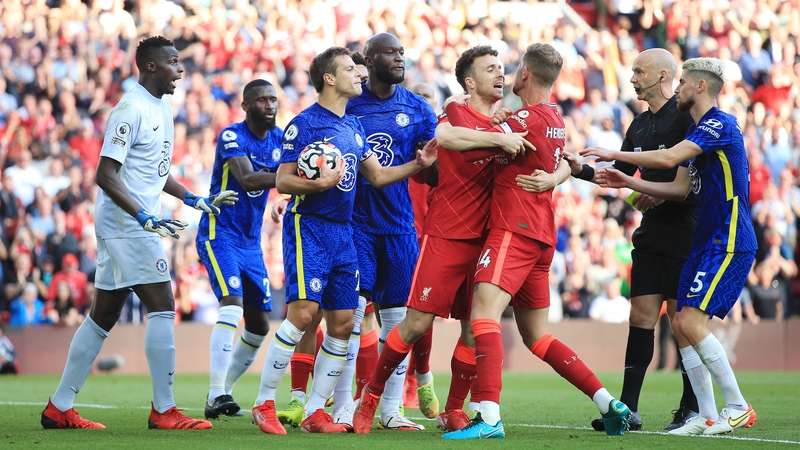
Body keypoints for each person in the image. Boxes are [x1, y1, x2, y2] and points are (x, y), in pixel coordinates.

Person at [41, 36, 237, 431]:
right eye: (173, 63)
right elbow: (104, 174)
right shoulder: (129, 109)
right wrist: (144, 217)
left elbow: (155, 172)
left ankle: (59, 407)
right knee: (163, 302)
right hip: (126, 223)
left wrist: (194, 198)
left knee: (103, 316)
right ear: (150, 66)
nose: (181, 70)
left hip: (132, 222)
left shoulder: (161, 106)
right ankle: (164, 410)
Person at [440, 43, 631, 439]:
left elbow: (463, 142)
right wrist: (557, 175)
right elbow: (568, 161)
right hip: (543, 236)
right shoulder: (556, 117)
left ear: (524, 74)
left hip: (515, 229)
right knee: (537, 335)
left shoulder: (524, 118)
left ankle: (488, 416)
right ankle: (608, 404)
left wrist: (451, 117)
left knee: (483, 316)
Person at [250, 46, 436, 435]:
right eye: (351, 69)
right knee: (302, 314)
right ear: (330, 78)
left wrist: (418, 164)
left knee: (342, 322)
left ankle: (317, 410)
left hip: (344, 233)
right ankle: (263, 402)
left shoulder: (353, 126)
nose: (360, 74)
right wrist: (316, 183)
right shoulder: (305, 124)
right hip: (310, 228)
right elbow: (283, 179)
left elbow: (379, 176)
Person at [351, 45, 536, 435]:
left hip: (488, 240)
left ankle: (454, 409)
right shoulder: (455, 111)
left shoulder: (506, 122)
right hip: (447, 234)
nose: (501, 75)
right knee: (416, 323)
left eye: (502, 68)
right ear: (470, 82)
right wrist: (500, 140)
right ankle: (371, 397)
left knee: (474, 327)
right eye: (491, 69)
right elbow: (446, 138)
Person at [581, 57, 758, 436]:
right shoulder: (695, 127)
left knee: (689, 321)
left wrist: (615, 154)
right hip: (704, 239)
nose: (676, 89)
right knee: (680, 323)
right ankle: (705, 415)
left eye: (682, 83)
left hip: (726, 237)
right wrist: (626, 183)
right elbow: (678, 188)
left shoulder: (716, 123)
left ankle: (738, 406)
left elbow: (667, 158)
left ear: (698, 86)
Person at [566, 48, 700, 431]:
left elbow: (696, 180)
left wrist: (660, 193)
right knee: (640, 316)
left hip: (685, 230)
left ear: (662, 76)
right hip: (651, 232)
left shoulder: (686, 117)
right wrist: (580, 171)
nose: (632, 79)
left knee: (681, 322)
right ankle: (628, 408)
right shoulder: (638, 126)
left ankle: (690, 406)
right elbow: (618, 176)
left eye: (639, 72)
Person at [335, 32, 439, 432]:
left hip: (399, 228)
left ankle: (391, 409)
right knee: (350, 316)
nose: (399, 58)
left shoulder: (417, 108)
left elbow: (432, 172)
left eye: (401, 52)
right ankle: (343, 406)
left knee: (398, 321)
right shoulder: (349, 104)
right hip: (354, 225)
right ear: (369, 59)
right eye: (390, 52)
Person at [197, 79, 284, 419]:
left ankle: (223, 392)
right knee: (231, 305)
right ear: (246, 106)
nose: (270, 106)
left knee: (260, 324)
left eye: (273, 99)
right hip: (220, 234)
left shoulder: (278, 139)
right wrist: (290, 178)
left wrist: (288, 191)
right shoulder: (233, 136)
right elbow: (248, 179)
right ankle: (217, 392)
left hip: (250, 241)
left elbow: (289, 173)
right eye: (262, 100)